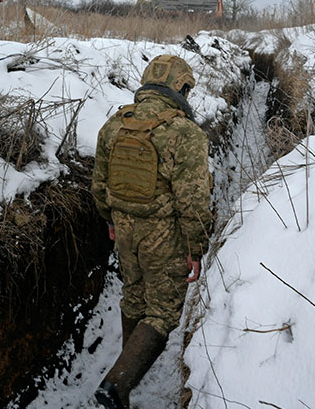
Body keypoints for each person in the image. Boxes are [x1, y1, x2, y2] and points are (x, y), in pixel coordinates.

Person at [91, 54, 213, 409]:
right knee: (161, 312)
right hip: (165, 236)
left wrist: (112, 222)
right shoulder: (185, 133)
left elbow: (99, 186)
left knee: (134, 297)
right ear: (182, 87)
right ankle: (116, 385)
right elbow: (193, 201)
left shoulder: (114, 124)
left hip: (125, 232)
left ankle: (126, 379)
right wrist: (196, 249)